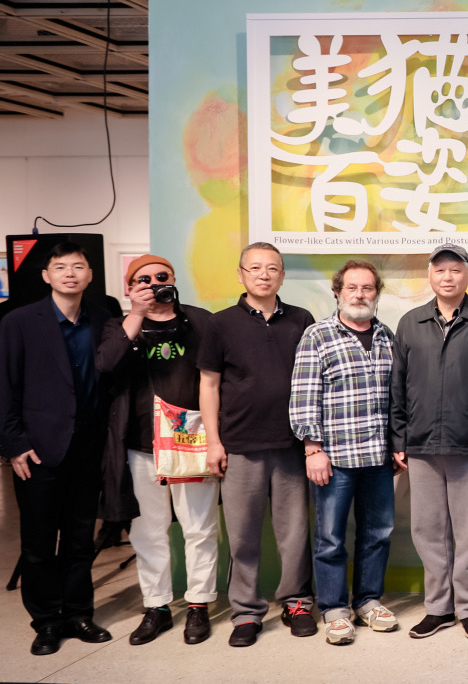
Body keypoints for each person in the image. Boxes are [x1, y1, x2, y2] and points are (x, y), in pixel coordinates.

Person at [197, 242, 318, 646]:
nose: (264, 275)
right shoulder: (220, 324)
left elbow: (314, 379)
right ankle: (246, 612)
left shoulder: (302, 320)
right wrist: (213, 442)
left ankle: (297, 601)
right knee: (243, 535)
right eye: (255, 268)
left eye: (272, 268)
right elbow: (209, 385)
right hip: (240, 445)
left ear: (282, 276)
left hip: (291, 445)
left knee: (294, 533)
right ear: (241, 274)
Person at [390, 244, 468, 641]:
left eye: (455, 269)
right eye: (440, 270)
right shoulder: (410, 323)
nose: (447, 277)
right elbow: (398, 386)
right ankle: (439, 608)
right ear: (430, 275)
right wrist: (399, 436)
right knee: (428, 531)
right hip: (421, 445)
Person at [98, 254, 219, 646]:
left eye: (161, 277)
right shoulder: (118, 325)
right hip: (140, 444)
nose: (153, 284)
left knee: (199, 528)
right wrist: (136, 314)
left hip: (191, 442)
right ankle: (157, 606)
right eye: (143, 280)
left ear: (174, 279)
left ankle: (199, 604)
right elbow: (105, 366)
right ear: (130, 287)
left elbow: (218, 377)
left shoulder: (200, 321)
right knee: (147, 531)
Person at [1, 242, 114, 656]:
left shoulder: (102, 319)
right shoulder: (19, 321)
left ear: (90, 275)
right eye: (61, 267)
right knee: (38, 542)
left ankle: (79, 613)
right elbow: (5, 385)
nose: (70, 273)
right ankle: (46, 621)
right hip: (37, 449)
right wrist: (15, 445)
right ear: (47, 275)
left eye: (78, 266)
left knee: (81, 538)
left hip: (88, 446)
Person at [290, 259, 402, 646]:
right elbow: (304, 395)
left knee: (378, 534)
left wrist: (397, 446)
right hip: (334, 459)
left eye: (367, 288)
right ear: (337, 292)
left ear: (376, 293)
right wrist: (312, 449)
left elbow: (396, 398)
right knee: (330, 538)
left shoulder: (387, 336)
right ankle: (335, 609)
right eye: (351, 287)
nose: (359, 294)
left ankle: (368, 601)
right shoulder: (317, 335)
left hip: (378, 458)